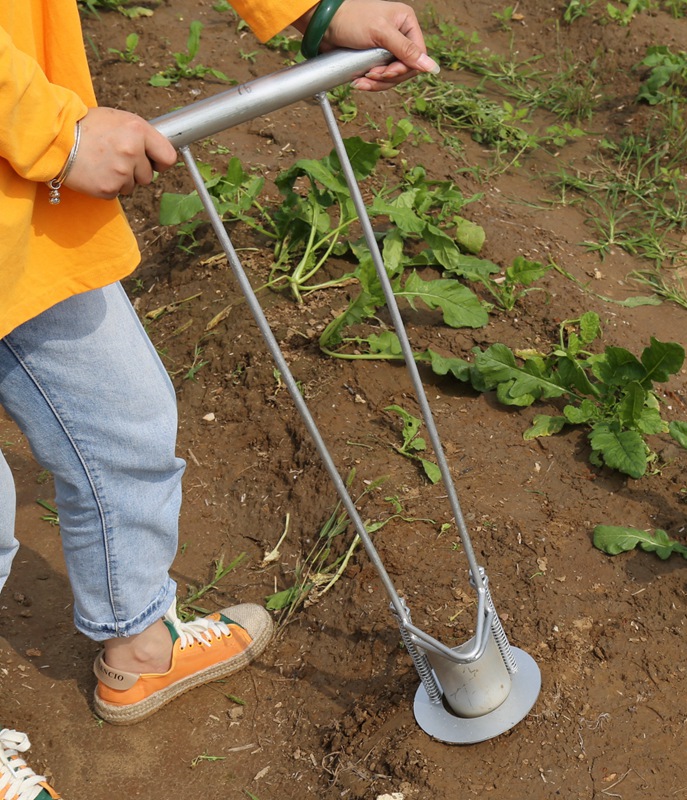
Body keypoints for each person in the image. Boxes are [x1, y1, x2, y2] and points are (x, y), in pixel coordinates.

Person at [0, 1, 437, 797]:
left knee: (122, 417)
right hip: (31, 144)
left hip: (21, 206)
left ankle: (137, 647)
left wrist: (313, 10)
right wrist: (50, 129)